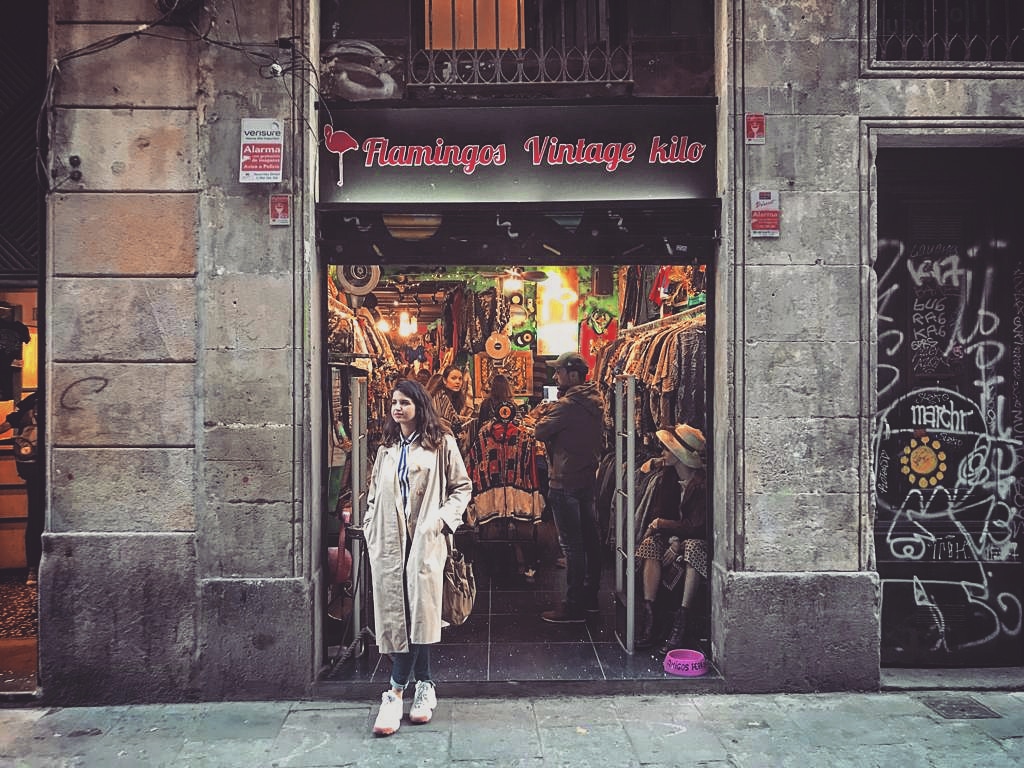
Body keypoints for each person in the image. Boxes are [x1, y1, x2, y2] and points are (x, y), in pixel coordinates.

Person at [363, 379, 472, 737]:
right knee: (401, 615)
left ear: (419, 406)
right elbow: (374, 494)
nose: (398, 408)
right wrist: (371, 526)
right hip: (390, 542)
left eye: (405, 403)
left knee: (419, 613)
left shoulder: (441, 444)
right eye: (394, 402)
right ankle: (424, 684)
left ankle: (394, 692)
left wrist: (440, 521)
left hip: (424, 540)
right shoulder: (387, 448)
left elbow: (462, 488)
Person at [533, 351, 605, 623]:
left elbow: (540, 431)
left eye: (559, 371)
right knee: (590, 540)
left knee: (572, 545)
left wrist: (547, 415)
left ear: (573, 375)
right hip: (586, 477)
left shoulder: (567, 405)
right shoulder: (595, 400)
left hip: (564, 480)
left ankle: (573, 607)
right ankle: (590, 598)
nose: (555, 376)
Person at [634, 423, 708, 652]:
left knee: (693, 548)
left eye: (667, 449)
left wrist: (665, 529)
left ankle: (681, 621)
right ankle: (650, 615)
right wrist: (672, 538)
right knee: (650, 544)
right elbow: (660, 512)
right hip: (676, 537)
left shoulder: (702, 484)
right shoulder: (668, 478)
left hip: (696, 540)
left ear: (679, 454)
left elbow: (697, 527)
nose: (663, 453)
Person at [0, 392, 41, 586]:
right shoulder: (34, 400)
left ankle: (33, 568)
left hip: (34, 467)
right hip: (40, 469)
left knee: (35, 517)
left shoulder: (32, 400)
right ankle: (34, 567)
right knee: (37, 517)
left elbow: (9, 423)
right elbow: (10, 422)